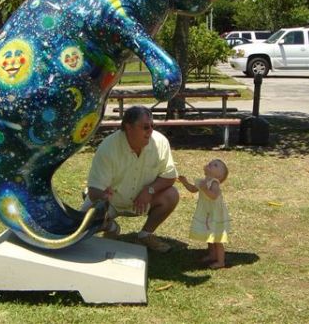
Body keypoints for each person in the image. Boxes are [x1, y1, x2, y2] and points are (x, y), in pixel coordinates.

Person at [82, 106, 179, 253]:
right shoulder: (108, 147)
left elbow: (170, 176)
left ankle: (146, 234)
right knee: (81, 227)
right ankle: (111, 227)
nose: (150, 131)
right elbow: (95, 190)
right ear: (128, 127)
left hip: (145, 201)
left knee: (172, 195)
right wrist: (102, 197)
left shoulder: (160, 142)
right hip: (111, 202)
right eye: (145, 127)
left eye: (152, 126)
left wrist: (149, 190)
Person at [178, 159, 230, 268]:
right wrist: (185, 182)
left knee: (218, 239)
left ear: (220, 176)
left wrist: (206, 189)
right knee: (209, 235)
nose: (211, 164)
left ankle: (221, 262)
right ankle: (212, 255)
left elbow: (214, 196)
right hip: (207, 213)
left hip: (215, 214)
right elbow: (192, 189)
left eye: (216, 165)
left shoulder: (214, 182)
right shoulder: (203, 181)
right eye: (211, 162)